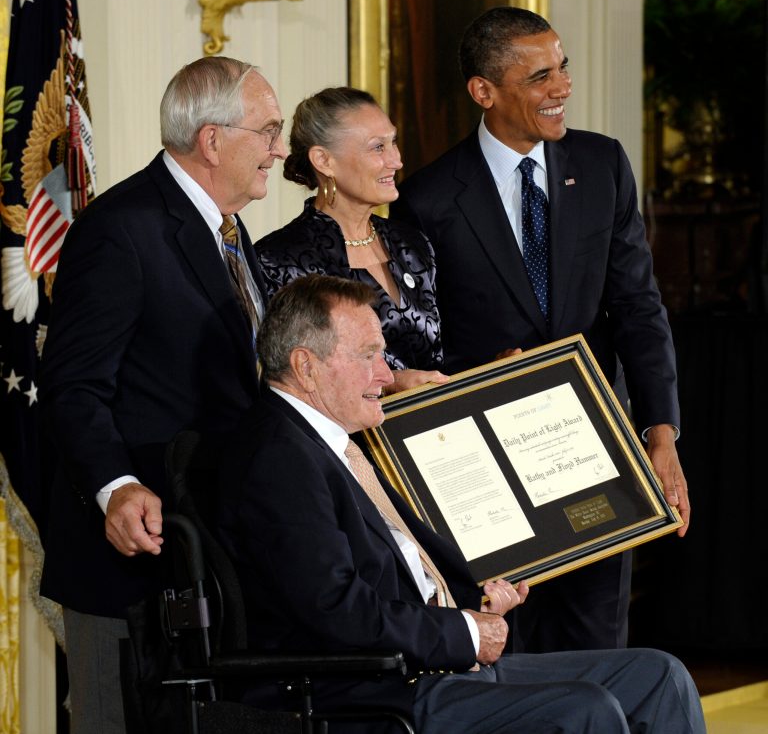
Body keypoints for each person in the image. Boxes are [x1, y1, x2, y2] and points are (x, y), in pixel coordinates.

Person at [213, 274, 705, 734]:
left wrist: (475, 601)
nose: (386, 374)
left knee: (659, 675)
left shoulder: (329, 441)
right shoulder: (277, 457)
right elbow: (337, 610)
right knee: (586, 710)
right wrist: (465, 633)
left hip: (428, 667)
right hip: (370, 692)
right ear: (306, 366)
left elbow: (399, 570)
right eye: (369, 356)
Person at [389, 6, 691, 654]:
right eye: (540, 75)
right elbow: (419, 345)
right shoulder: (429, 199)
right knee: (509, 657)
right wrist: (478, 375)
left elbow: (639, 307)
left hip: (595, 455)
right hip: (487, 471)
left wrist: (660, 433)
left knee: (597, 650)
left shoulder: (603, 164)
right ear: (484, 91)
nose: (562, 87)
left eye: (564, 67)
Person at [38, 56, 286, 734]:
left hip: (209, 557)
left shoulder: (229, 231)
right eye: (268, 130)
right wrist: (114, 484)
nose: (281, 148)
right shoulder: (122, 229)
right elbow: (73, 382)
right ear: (213, 140)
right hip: (131, 566)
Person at [255, 86, 447, 393]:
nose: (396, 160)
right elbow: (291, 382)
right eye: (377, 148)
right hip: (341, 441)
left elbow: (439, 358)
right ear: (324, 160)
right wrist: (388, 385)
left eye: (393, 142)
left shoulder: (411, 243)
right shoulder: (277, 259)